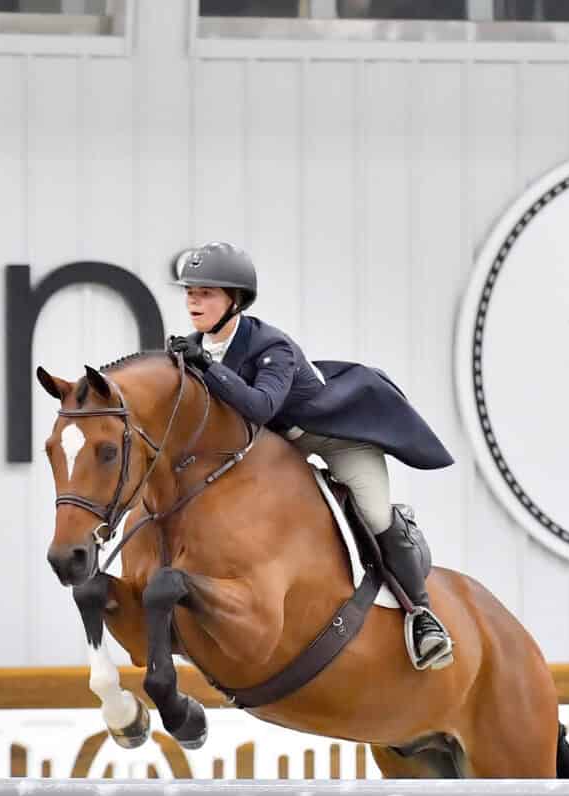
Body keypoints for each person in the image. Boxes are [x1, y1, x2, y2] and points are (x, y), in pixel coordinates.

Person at [166, 241, 456, 670]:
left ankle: (423, 616)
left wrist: (207, 369)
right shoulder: (193, 348)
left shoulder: (272, 346)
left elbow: (262, 406)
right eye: (190, 291)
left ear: (235, 300)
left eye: (205, 292)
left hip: (335, 438)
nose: (193, 300)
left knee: (375, 515)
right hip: (278, 449)